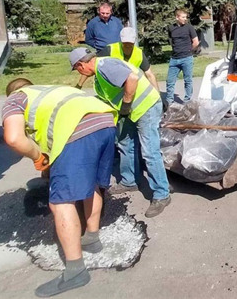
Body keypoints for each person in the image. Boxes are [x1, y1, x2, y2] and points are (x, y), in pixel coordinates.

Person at [1, 78, 117, 297]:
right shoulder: (51, 91)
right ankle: (92, 239)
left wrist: (38, 158)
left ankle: (75, 272)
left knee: (61, 202)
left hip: (78, 132)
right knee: (91, 184)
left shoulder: (15, 99)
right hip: (105, 123)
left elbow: (14, 138)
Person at [69, 47, 171, 218]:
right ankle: (130, 180)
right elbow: (108, 96)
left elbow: (131, 79)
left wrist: (125, 105)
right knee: (125, 143)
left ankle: (162, 194)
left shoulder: (105, 66)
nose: (80, 73)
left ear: (81, 65)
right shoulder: (99, 73)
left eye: (77, 69)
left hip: (145, 107)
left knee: (149, 151)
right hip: (130, 110)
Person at [77, 27, 163, 101]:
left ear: (135, 41)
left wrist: (158, 97)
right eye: (125, 43)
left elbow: (150, 75)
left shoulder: (139, 53)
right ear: (121, 40)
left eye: (130, 43)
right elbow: (91, 67)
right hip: (107, 93)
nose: (128, 45)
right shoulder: (110, 49)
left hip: (127, 93)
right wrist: (79, 86)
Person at [166, 9, 199, 104]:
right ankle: (169, 103)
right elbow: (171, 41)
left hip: (186, 58)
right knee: (170, 81)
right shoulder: (171, 28)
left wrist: (189, 50)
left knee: (188, 81)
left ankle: (187, 102)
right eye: (183, 17)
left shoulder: (189, 27)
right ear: (177, 17)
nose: (185, 19)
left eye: (186, 17)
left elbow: (195, 42)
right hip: (174, 59)